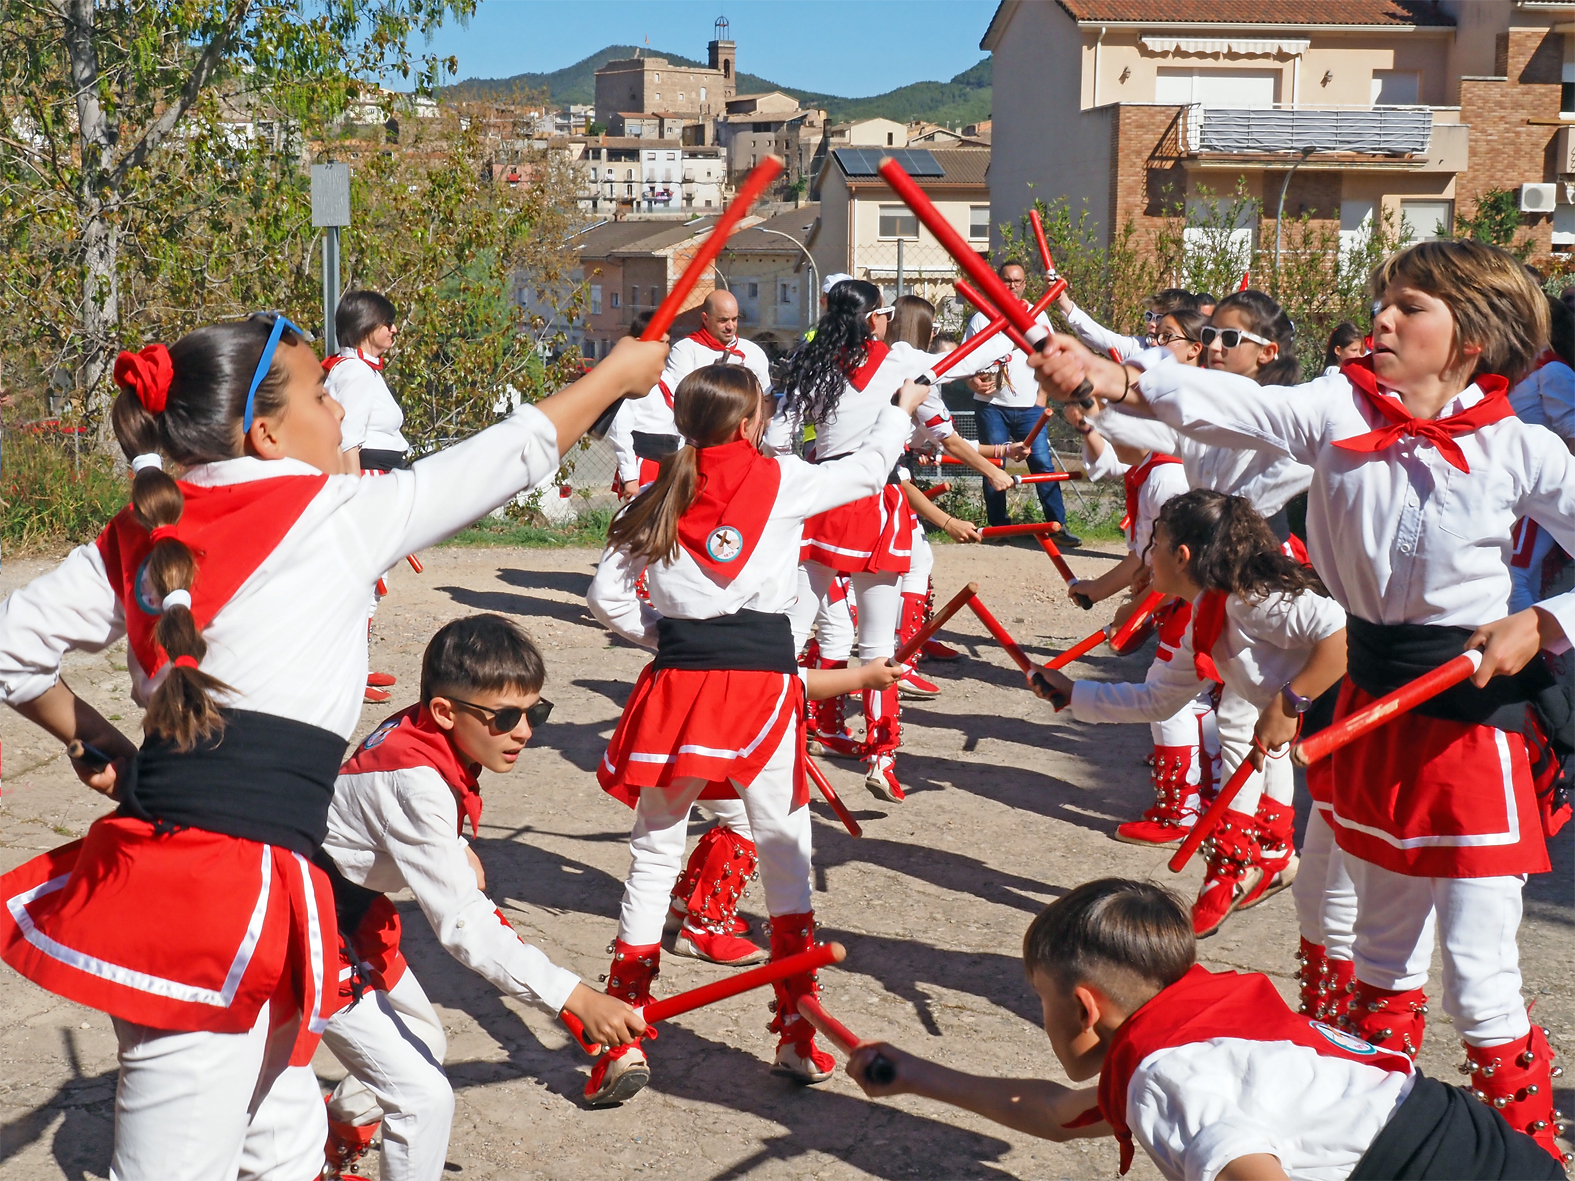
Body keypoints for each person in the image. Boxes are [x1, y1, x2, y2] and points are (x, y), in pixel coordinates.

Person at [0, 316, 665, 1178]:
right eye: (322, 395)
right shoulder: (330, 514)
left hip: (241, 883)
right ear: (267, 432)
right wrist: (614, 373)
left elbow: (12, 647)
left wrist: (100, 741)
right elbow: (510, 454)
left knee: (281, 1143)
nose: (342, 416)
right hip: (213, 903)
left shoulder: (143, 538)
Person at [1032, 238, 1575, 1160]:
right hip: (1370, 712)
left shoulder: (1520, 448)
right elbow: (1235, 401)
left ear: (1470, 341)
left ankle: (1527, 1160)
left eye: (1411, 308)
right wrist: (1118, 379)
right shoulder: (1333, 406)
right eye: (1384, 301)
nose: (1384, 320)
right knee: (1380, 956)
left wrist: (1546, 622)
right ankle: (1376, 1135)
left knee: (1479, 973)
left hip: (1467, 720)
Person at [586, 362, 929, 1105]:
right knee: (783, 850)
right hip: (761, 695)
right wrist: (900, 410)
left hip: (677, 688)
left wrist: (666, 638)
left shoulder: (658, 491)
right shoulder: (785, 480)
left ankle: (621, 1040)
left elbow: (603, 594)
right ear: (746, 424)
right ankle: (795, 1037)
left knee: (652, 854)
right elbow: (869, 471)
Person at [846, 879, 1563, 1181]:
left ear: (1085, 1007)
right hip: (1486, 1153)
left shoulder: (1173, 1073)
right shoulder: (1197, 1024)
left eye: (1040, 996)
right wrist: (913, 1073)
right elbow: (1058, 1114)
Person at [319, 614, 641, 1179]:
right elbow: (462, 923)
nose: (525, 731)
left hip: (350, 910)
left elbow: (433, 807)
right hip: (309, 926)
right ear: (445, 711)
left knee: (421, 1040)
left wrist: (456, 842)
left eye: (535, 712)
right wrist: (575, 998)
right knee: (423, 1098)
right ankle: (302, 1155)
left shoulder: (427, 732)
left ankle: (330, 1140)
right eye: (507, 717)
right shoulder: (413, 780)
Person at [770, 279, 922, 801]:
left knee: (789, 632)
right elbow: (970, 363)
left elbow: (775, 438)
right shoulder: (902, 360)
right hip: (876, 503)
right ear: (876, 318)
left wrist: (797, 472)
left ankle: (775, 739)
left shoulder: (812, 366)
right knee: (879, 641)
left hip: (822, 498)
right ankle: (883, 755)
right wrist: (1024, 324)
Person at [1090, 291, 1312, 552]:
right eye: (1210, 335)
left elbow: (1298, 468)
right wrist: (1090, 399)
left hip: (1260, 556)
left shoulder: (1287, 409)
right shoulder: (1208, 404)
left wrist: (1226, 513)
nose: (1215, 347)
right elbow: (1152, 436)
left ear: (1267, 351)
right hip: (1213, 551)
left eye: (1230, 338)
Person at [325, 288, 411, 704]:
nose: (394, 329)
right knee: (365, 583)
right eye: (387, 323)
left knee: (369, 583)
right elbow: (348, 442)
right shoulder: (356, 373)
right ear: (366, 328)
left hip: (378, 477)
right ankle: (347, 674)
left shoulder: (357, 369)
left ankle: (354, 665)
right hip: (368, 479)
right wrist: (356, 498)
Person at [955, 260, 1078, 544]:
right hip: (991, 407)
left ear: (1025, 284)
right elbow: (963, 362)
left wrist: (1041, 399)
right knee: (994, 466)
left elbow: (1050, 358)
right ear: (998, 283)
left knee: (1042, 464)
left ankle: (1057, 525)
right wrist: (972, 381)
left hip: (1030, 408)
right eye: (1007, 281)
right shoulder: (981, 318)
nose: (1012, 286)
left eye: (1017, 281)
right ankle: (998, 528)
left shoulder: (1038, 317)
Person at [608, 288, 772, 499]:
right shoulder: (645, 376)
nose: (730, 326)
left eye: (666, 343)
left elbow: (766, 399)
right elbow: (620, 429)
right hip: (650, 461)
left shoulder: (752, 352)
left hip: (688, 456)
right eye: (723, 320)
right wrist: (630, 475)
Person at [1507, 293, 1575, 612]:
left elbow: (1573, 431)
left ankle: (1529, 660)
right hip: (1517, 481)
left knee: (1514, 575)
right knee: (1522, 575)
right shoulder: (1526, 365)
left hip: (1540, 485)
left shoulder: (1554, 371)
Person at [1054, 286, 1197, 361]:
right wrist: (1063, 301)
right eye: (1150, 316)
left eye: (1159, 318)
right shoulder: (1138, 349)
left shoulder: (1192, 363)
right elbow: (1097, 336)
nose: (1152, 324)